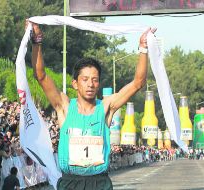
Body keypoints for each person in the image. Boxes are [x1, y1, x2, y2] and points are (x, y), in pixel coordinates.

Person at [27, 20, 156, 190]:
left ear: (99, 84)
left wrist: (143, 48)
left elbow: (138, 83)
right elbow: (41, 75)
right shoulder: (64, 106)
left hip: (99, 183)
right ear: (75, 83)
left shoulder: (106, 107)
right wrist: (37, 41)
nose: (90, 85)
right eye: (85, 79)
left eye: (95, 80)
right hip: (70, 182)